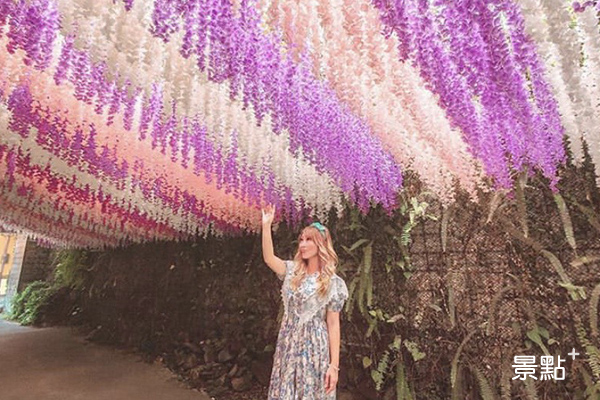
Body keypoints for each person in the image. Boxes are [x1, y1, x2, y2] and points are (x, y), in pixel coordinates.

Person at [261, 204, 349, 399]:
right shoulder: (292, 271)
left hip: (314, 346)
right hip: (288, 342)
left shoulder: (332, 283)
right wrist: (266, 225)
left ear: (321, 245)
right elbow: (269, 258)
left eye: (309, 240)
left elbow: (333, 324)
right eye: (301, 240)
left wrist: (334, 366)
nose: (302, 244)